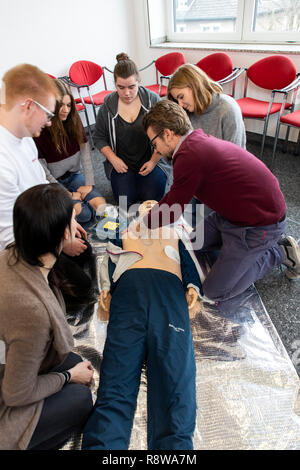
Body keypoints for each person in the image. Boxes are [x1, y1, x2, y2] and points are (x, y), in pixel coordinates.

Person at [135, 100, 300, 313]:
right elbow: (175, 196)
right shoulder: (193, 143)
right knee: (190, 245)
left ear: (167, 134)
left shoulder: (189, 156)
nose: (155, 148)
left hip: (259, 224)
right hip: (232, 214)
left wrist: (142, 224)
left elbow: (173, 208)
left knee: (214, 291)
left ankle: (280, 252)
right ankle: (235, 253)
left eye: (154, 142)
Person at [82, 201, 203, 450]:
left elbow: (188, 259)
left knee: (175, 379)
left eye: (155, 203)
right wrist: (106, 287)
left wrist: (193, 286)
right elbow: (111, 254)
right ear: (136, 210)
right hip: (130, 291)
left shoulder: (175, 231)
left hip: (168, 290)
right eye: (145, 204)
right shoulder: (125, 229)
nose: (149, 205)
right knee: (117, 378)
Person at [0, 184, 94, 450]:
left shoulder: (12, 253)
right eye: (73, 219)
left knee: (72, 360)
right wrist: (68, 377)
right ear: (65, 232)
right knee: (79, 397)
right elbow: (15, 394)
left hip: (9, 356)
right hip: (8, 395)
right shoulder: (32, 314)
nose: (77, 222)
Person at [0, 64, 95, 304]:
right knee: (81, 290)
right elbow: (11, 237)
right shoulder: (3, 160)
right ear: (29, 105)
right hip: (22, 249)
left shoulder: (25, 138)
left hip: (42, 227)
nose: (51, 123)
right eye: (49, 114)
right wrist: (61, 243)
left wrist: (67, 218)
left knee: (87, 254)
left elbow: (43, 185)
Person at [93, 53, 168, 209]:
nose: (127, 93)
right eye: (121, 87)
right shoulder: (108, 105)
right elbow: (99, 137)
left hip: (150, 159)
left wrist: (154, 161)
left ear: (139, 82)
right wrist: (113, 159)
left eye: (132, 87)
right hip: (122, 164)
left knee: (152, 198)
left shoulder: (152, 100)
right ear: (115, 84)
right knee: (125, 203)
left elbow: (165, 134)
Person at [34, 79, 106, 228]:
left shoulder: (73, 119)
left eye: (68, 105)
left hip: (74, 175)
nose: (66, 110)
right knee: (84, 215)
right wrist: (69, 195)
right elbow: (44, 173)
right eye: (61, 105)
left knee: (101, 206)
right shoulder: (40, 130)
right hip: (54, 183)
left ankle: (79, 211)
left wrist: (89, 184)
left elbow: (86, 157)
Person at [167, 63, 246, 148]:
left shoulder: (227, 109)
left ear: (195, 86)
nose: (180, 104)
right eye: (177, 100)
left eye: (181, 97)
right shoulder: (188, 111)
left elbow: (235, 154)